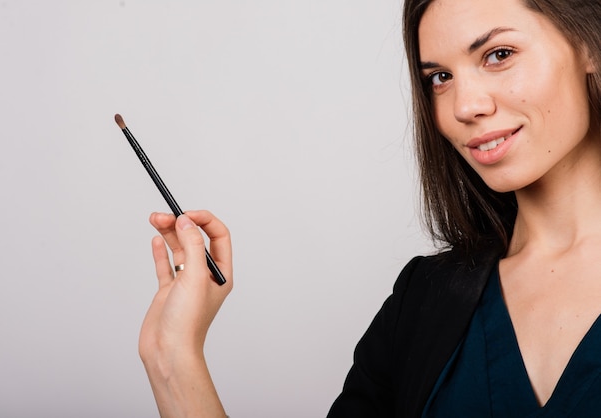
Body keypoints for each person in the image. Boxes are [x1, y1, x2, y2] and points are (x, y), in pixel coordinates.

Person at [138, 0, 601, 416]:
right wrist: (172, 355)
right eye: (440, 77)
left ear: (588, 45)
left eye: (498, 55)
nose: (465, 106)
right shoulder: (422, 300)